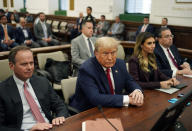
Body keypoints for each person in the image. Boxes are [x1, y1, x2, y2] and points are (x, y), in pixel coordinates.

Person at [0, 46, 69, 131]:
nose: (29, 68)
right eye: (24, 64)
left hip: (50, 127)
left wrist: (60, 116)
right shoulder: (2, 90)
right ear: (11, 66)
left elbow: (59, 104)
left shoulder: (42, 82)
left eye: (31, 63)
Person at [70, 37, 144, 112]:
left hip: (113, 108)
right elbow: (95, 98)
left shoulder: (120, 63)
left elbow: (130, 81)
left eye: (113, 53)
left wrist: (137, 91)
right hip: (89, 111)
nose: (110, 58)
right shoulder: (86, 69)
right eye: (105, 53)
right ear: (96, 53)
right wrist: (128, 99)